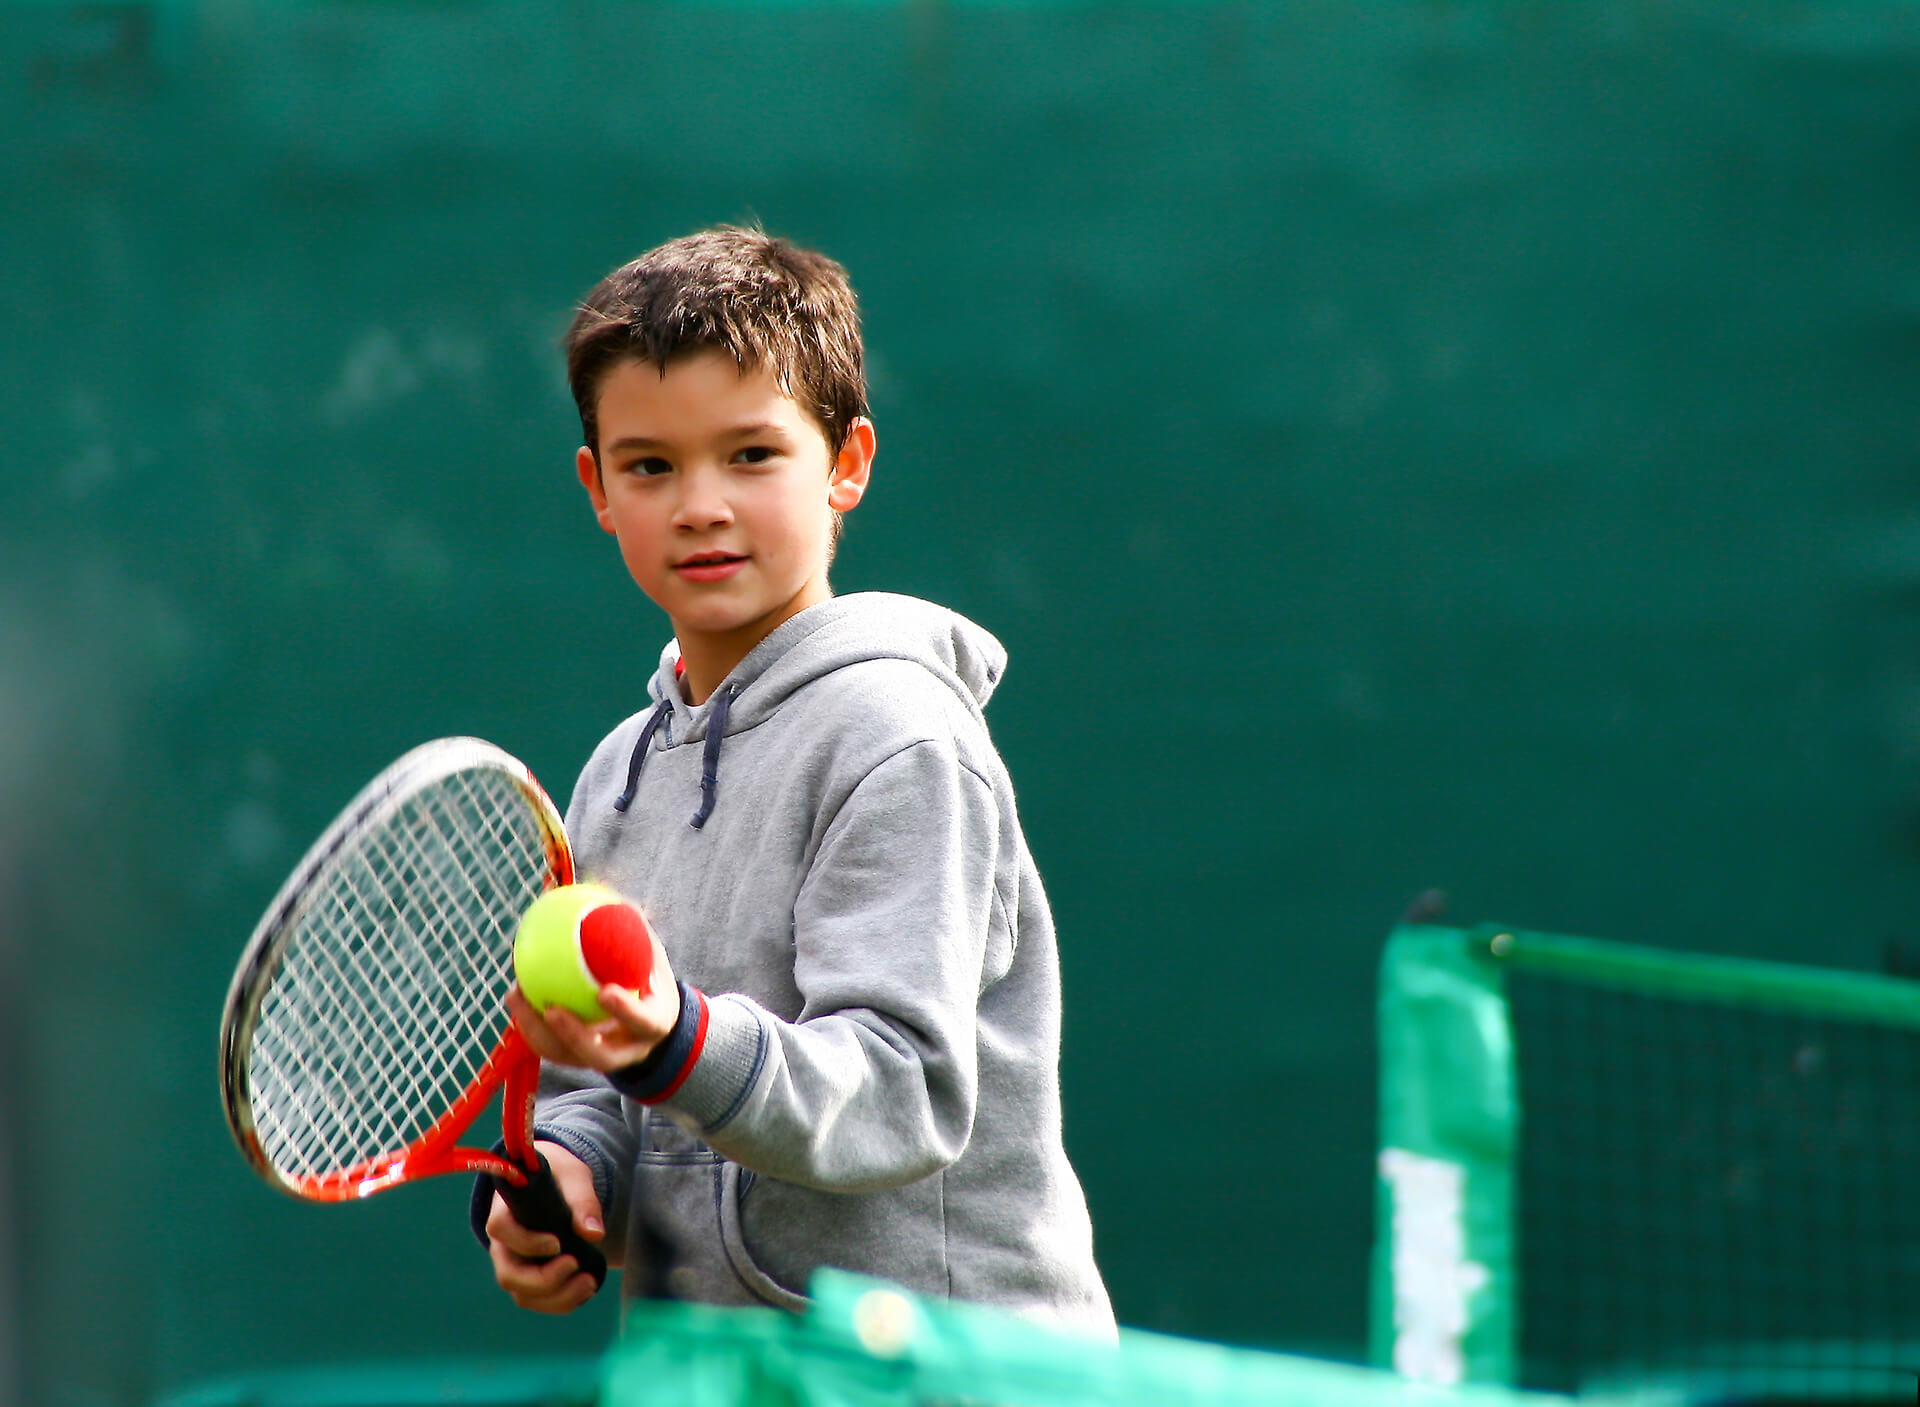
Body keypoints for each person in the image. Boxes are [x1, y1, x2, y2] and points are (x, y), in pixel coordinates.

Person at [472, 227, 1114, 1336]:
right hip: (723, 1365)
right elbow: (611, 1083)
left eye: (752, 455)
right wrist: (572, 1180)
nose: (700, 505)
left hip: (954, 1373)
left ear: (847, 464)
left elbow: (900, 1092)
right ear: (598, 489)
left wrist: (680, 1040)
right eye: (651, 466)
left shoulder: (901, 740)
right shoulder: (618, 776)